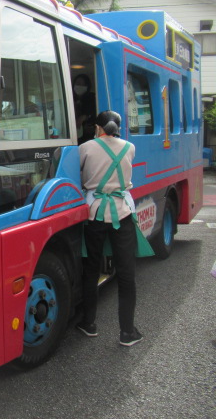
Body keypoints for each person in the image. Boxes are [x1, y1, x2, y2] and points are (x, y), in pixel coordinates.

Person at [78, 110, 144, 347]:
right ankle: (127, 332)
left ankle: (89, 324)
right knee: (126, 274)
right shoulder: (130, 147)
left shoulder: (86, 148)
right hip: (123, 213)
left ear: (98, 127)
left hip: (95, 212)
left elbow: (82, 176)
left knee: (92, 268)